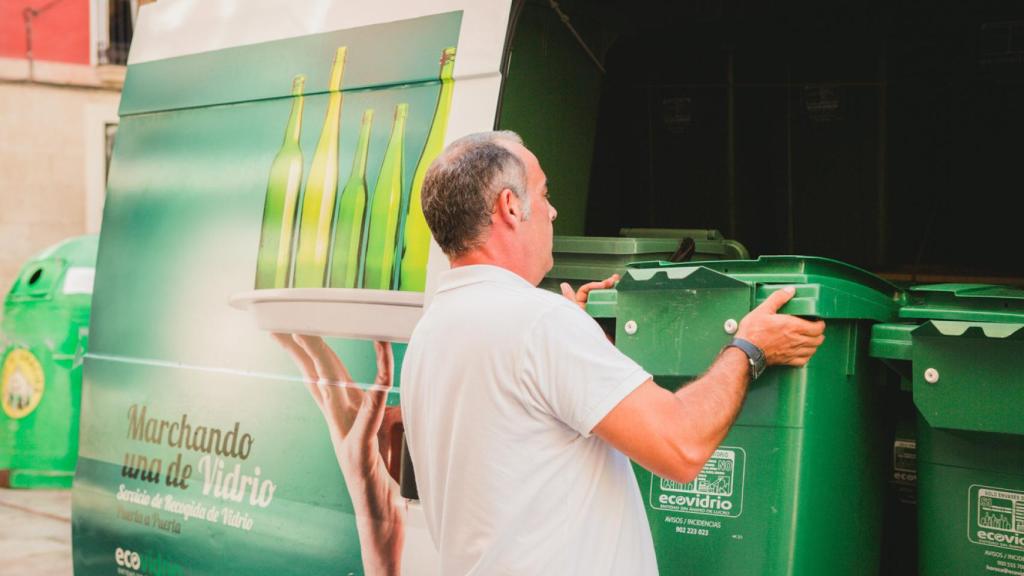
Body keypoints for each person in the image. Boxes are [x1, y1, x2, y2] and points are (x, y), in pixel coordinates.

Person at [400, 131, 826, 575]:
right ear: (510, 206)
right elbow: (680, 447)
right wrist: (749, 347)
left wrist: (580, 338)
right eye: (545, 194)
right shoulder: (540, 325)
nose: (553, 210)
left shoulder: (432, 331)